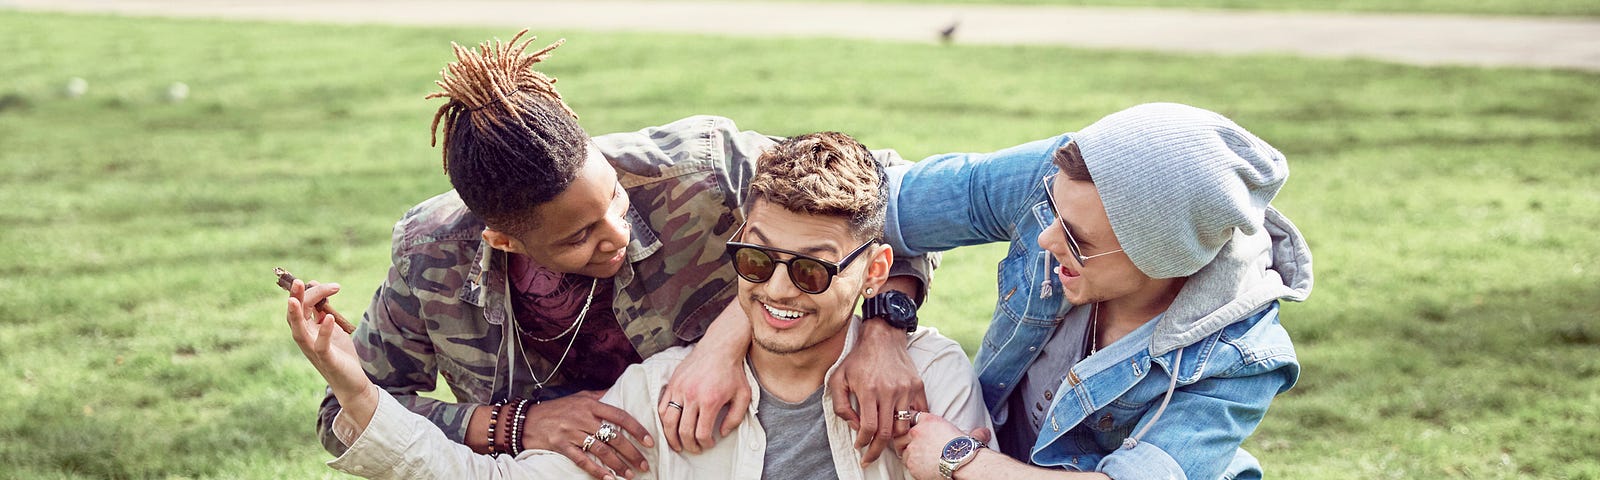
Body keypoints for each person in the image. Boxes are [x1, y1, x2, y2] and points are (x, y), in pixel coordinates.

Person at [293, 31, 936, 479]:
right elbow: (349, 417)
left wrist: (884, 329)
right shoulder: (432, 256)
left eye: (614, 201)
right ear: (504, 241)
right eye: (579, 238)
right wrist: (516, 426)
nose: (616, 234)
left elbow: (893, 197)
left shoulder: (701, 168)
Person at [888, 103, 1314, 479]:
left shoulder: (1243, 355)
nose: (1046, 239)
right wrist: (884, 323)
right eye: (1053, 210)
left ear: (1163, 258)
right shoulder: (1064, 177)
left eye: (1077, 241)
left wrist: (960, 460)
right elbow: (871, 203)